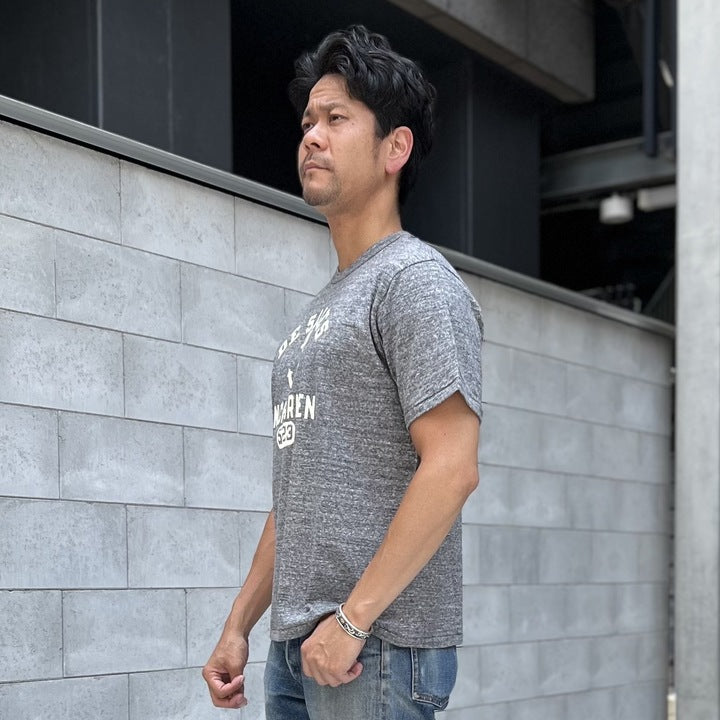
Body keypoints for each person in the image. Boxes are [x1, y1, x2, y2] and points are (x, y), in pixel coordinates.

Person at [202, 24, 483, 719]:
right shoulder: (321, 311)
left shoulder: (414, 281)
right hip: (299, 647)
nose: (311, 137)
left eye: (336, 119)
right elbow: (299, 491)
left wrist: (353, 622)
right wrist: (240, 623)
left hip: (373, 648)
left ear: (395, 148)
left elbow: (452, 466)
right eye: (307, 122)